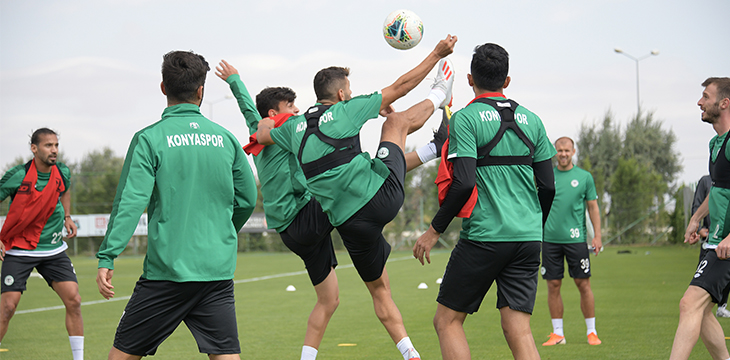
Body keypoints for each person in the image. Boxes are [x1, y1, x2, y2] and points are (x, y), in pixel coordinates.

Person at [216, 58, 451, 360]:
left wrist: (235, 81)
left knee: (328, 301)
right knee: (355, 178)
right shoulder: (288, 129)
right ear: (275, 113)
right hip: (305, 215)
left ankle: (309, 358)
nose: (297, 112)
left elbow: (250, 110)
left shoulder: (266, 129)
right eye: (291, 107)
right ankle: (433, 148)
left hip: (290, 232)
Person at [96, 51, 258, 360]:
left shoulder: (149, 139)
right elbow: (247, 198)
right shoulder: (225, 139)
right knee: (226, 356)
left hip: (166, 274)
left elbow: (131, 200)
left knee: (121, 357)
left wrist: (108, 254)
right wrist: (221, 232)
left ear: (162, 87)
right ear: (201, 91)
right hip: (216, 272)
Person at [413, 42, 556, 360]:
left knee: (447, 321)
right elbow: (547, 186)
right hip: (528, 239)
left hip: (485, 237)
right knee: (519, 330)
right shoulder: (533, 120)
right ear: (507, 81)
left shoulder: (465, 119)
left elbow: (463, 183)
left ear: (469, 79)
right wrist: (533, 222)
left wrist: (434, 230)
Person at [0, 128, 83, 360]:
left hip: (53, 250)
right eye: (48, 145)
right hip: (19, 249)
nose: (54, 150)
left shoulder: (62, 171)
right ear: (34, 149)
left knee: (74, 300)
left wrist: (67, 216)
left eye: (56, 145)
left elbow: (64, 190)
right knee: (8, 308)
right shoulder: (17, 175)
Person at [670, 77, 730, 360]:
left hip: (726, 245)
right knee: (702, 310)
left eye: (706, 96)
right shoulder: (716, 143)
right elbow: (718, 189)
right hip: (715, 242)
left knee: (689, 303)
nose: (699, 102)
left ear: (724, 103)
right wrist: (696, 217)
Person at [540, 136, 603, 346]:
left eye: (567, 150)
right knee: (553, 285)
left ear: (573, 152)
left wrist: (597, 235)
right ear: (554, 152)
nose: (563, 154)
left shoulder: (584, 177)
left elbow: (593, 207)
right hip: (549, 240)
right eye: (559, 150)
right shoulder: (546, 176)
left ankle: (591, 332)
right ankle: (558, 334)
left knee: (583, 284)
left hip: (576, 240)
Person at [692, 175, 730, 318]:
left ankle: (721, 305)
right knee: (693, 302)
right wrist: (697, 225)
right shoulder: (706, 181)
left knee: (693, 304)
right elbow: (698, 203)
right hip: (711, 240)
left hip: (725, 242)